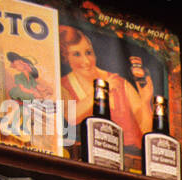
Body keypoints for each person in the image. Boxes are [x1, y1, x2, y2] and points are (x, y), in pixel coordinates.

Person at [58, 25, 152, 156]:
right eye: (76, 54)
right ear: (66, 58)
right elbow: (70, 117)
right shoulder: (64, 86)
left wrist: (146, 101)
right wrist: (101, 89)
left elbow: (145, 131)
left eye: (88, 52)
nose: (86, 61)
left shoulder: (120, 83)